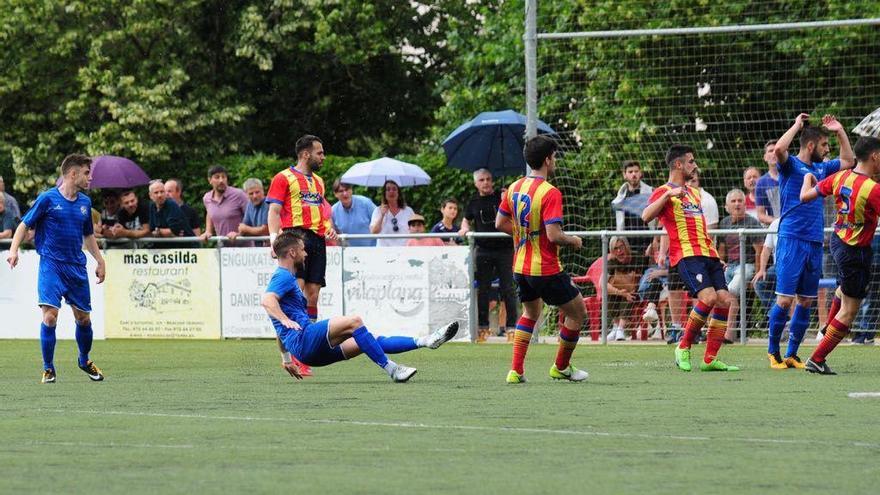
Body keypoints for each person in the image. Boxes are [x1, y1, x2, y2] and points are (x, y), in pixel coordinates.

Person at [261, 231, 459, 382]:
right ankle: (393, 370)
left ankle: (426, 340)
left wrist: (286, 359)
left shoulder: (287, 279)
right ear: (292, 252)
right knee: (354, 321)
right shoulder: (283, 276)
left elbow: (281, 331)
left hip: (308, 353)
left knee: (368, 340)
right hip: (305, 341)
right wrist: (285, 319)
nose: (305, 254)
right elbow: (267, 300)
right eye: (303, 249)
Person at [5, 154, 106, 383]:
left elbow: (88, 235)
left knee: (84, 320)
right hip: (51, 265)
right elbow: (24, 224)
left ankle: (84, 360)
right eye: (87, 173)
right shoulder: (48, 199)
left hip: (76, 268)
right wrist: (13, 250)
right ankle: (48, 368)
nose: (90, 178)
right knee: (50, 317)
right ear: (73, 173)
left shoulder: (85, 203)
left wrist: (100, 260)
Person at [496, 134, 588, 383]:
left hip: (520, 266)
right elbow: (554, 235)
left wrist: (523, 234)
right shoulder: (550, 192)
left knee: (530, 313)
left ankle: (516, 371)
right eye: (555, 156)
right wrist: (574, 240)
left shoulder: (514, 187)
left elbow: (499, 222)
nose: (555, 160)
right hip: (545, 269)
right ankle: (561, 367)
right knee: (578, 313)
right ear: (548, 160)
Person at [765, 114, 854, 370]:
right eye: (825, 145)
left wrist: (839, 131)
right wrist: (796, 125)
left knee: (805, 300)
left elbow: (848, 161)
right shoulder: (790, 165)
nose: (828, 151)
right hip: (791, 239)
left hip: (815, 241)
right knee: (784, 300)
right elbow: (780, 149)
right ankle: (773, 352)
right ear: (812, 145)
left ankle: (792, 354)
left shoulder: (821, 168)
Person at [642, 144, 739, 372]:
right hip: (686, 255)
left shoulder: (694, 193)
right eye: (691, 161)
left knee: (725, 299)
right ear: (678, 164)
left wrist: (715, 256)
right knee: (708, 298)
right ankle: (683, 346)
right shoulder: (663, 191)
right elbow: (646, 216)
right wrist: (667, 195)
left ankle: (710, 359)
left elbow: (700, 227)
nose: (694, 166)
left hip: (708, 254)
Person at [798, 136, 880, 374]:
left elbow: (805, 196)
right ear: (874, 156)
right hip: (856, 251)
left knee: (842, 289)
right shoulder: (872, 190)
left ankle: (825, 331)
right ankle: (817, 358)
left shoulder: (840, 176)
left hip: (838, 242)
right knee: (850, 309)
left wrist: (807, 178)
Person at [267, 135, 337, 376]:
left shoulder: (318, 181)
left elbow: (321, 211)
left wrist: (328, 226)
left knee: (313, 296)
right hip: (295, 237)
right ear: (306, 154)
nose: (323, 157)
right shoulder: (283, 177)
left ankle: (309, 351)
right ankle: (288, 355)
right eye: (320, 152)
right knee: (293, 298)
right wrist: (274, 240)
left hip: (317, 240)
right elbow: (274, 211)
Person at [461, 169, 518, 341]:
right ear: (476, 183)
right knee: (483, 290)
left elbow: (515, 218)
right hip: (483, 250)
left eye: (488, 179)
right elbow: (466, 219)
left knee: (508, 289)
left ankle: (511, 328)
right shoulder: (473, 202)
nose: (485, 182)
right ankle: (483, 329)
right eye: (481, 180)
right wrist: (464, 228)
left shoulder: (502, 197)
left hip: (505, 249)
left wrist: (506, 201)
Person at [717, 189, 763, 341]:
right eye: (733, 201)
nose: (737, 204)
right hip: (729, 266)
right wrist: (718, 265)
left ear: (745, 204)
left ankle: (728, 335)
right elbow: (722, 249)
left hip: (746, 266)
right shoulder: (724, 223)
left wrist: (757, 273)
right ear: (726, 206)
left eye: (740, 201)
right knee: (714, 291)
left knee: (730, 292)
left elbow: (759, 251)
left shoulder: (752, 223)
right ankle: (716, 332)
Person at [585, 236, 640, 341]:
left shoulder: (635, 258)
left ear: (626, 247)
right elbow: (602, 283)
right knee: (610, 295)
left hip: (633, 291)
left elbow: (640, 278)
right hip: (619, 291)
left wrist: (628, 292)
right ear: (611, 250)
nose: (619, 251)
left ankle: (620, 329)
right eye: (615, 248)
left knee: (629, 297)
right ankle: (616, 327)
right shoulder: (611, 262)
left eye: (621, 247)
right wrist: (619, 292)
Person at [611, 159, 654, 271]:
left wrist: (654, 242)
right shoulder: (619, 199)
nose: (634, 174)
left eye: (636, 171)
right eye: (630, 172)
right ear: (624, 175)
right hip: (627, 247)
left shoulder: (651, 193)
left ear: (640, 173)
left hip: (647, 245)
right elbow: (618, 227)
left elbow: (658, 221)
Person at [201, 165, 248, 243]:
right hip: (223, 248)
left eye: (224, 177)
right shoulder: (207, 198)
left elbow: (250, 216)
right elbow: (209, 213)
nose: (221, 180)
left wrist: (239, 233)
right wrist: (208, 231)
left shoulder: (239, 194)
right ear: (210, 180)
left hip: (244, 248)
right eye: (217, 177)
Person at [147, 180, 195, 246]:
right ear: (150, 195)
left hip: (185, 247)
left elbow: (174, 231)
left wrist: (158, 231)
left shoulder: (172, 204)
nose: (160, 195)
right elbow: (151, 230)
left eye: (162, 191)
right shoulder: (152, 206)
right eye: (156, 192)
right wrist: (161, 232)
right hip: (165, 248)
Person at [331, 179, 376, 247]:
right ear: (335, 194)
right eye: (341, 191)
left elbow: (380, 221)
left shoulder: (366, 203)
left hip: (372, 251)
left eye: (347, 189)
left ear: (351, 190)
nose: (345, 193)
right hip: (350, 253)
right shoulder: (333, 211)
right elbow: (335, 237)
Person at [370, 180, 414, 247]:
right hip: (383, 252)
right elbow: (374, 232)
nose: (391, 191)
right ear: (384, 194)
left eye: (394, 189)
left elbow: (416, 231)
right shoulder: (378, 210)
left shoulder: (408, 211)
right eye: (388, 189)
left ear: (398, 193)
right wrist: (382, 215)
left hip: (405, 251)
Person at [230, 178, 270, 244]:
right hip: (260, 248)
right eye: (251, 193)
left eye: (257, 192)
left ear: (263, 191)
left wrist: (246, 229)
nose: (255, 196)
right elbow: (244, 228)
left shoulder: (268, 203)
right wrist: (237, 234)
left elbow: (265, 230)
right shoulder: (249, 205)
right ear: (246, 195)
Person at [755, 140, 780, 225]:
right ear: (765, 157)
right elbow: (761, 215)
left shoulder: (791, 176)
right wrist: (778, 222)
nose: (774, 153)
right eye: (770, 151)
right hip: (775, 229)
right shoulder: (761, 183)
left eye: (776, 150)